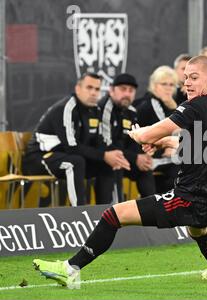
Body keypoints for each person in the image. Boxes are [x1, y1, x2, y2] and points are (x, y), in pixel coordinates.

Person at [33, 56, 207, 287]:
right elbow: (199, 147)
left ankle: (70, 269)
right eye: (185, 78)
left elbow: (146, 135)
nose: (187, 84)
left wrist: (139, 134)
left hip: (188, 196)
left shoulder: (195, 106)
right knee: (199, 231)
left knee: (113, 215)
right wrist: (165, 143)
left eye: (194, 77)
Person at [22, 73, 130, 206]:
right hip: (39, 158)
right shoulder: (66, 108)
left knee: (108, 163)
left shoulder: (95, 110)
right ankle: (80, 213)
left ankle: (108, 212)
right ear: (78, 89)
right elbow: (71, 147)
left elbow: (98, 142)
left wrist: (113, 155)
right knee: (75, 162)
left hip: (65, 156)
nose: (93, 93)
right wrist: (104, 155)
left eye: (97, 89)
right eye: (89, 88)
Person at [99, 73, 156, 200]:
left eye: (131, 90)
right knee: (116, 162)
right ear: (111, 90)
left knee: (145, 169)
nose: (127, 94)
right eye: (123, 89)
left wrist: (142, 156)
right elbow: (106, 144)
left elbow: (135, 141)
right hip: (105, 158)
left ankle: (152, 212)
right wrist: (135, 157)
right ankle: (114, 213)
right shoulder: (105, 108)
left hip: (125, 157)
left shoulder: (132, 111)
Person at [134, 66, 179, 193]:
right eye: (164, 84)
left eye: (171, 84)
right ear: (154, 85)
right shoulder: (149, 104)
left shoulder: (171, 105)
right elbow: (165, 130)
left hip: (166, 155)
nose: (168, 88)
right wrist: (168, 146)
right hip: (148, 155)